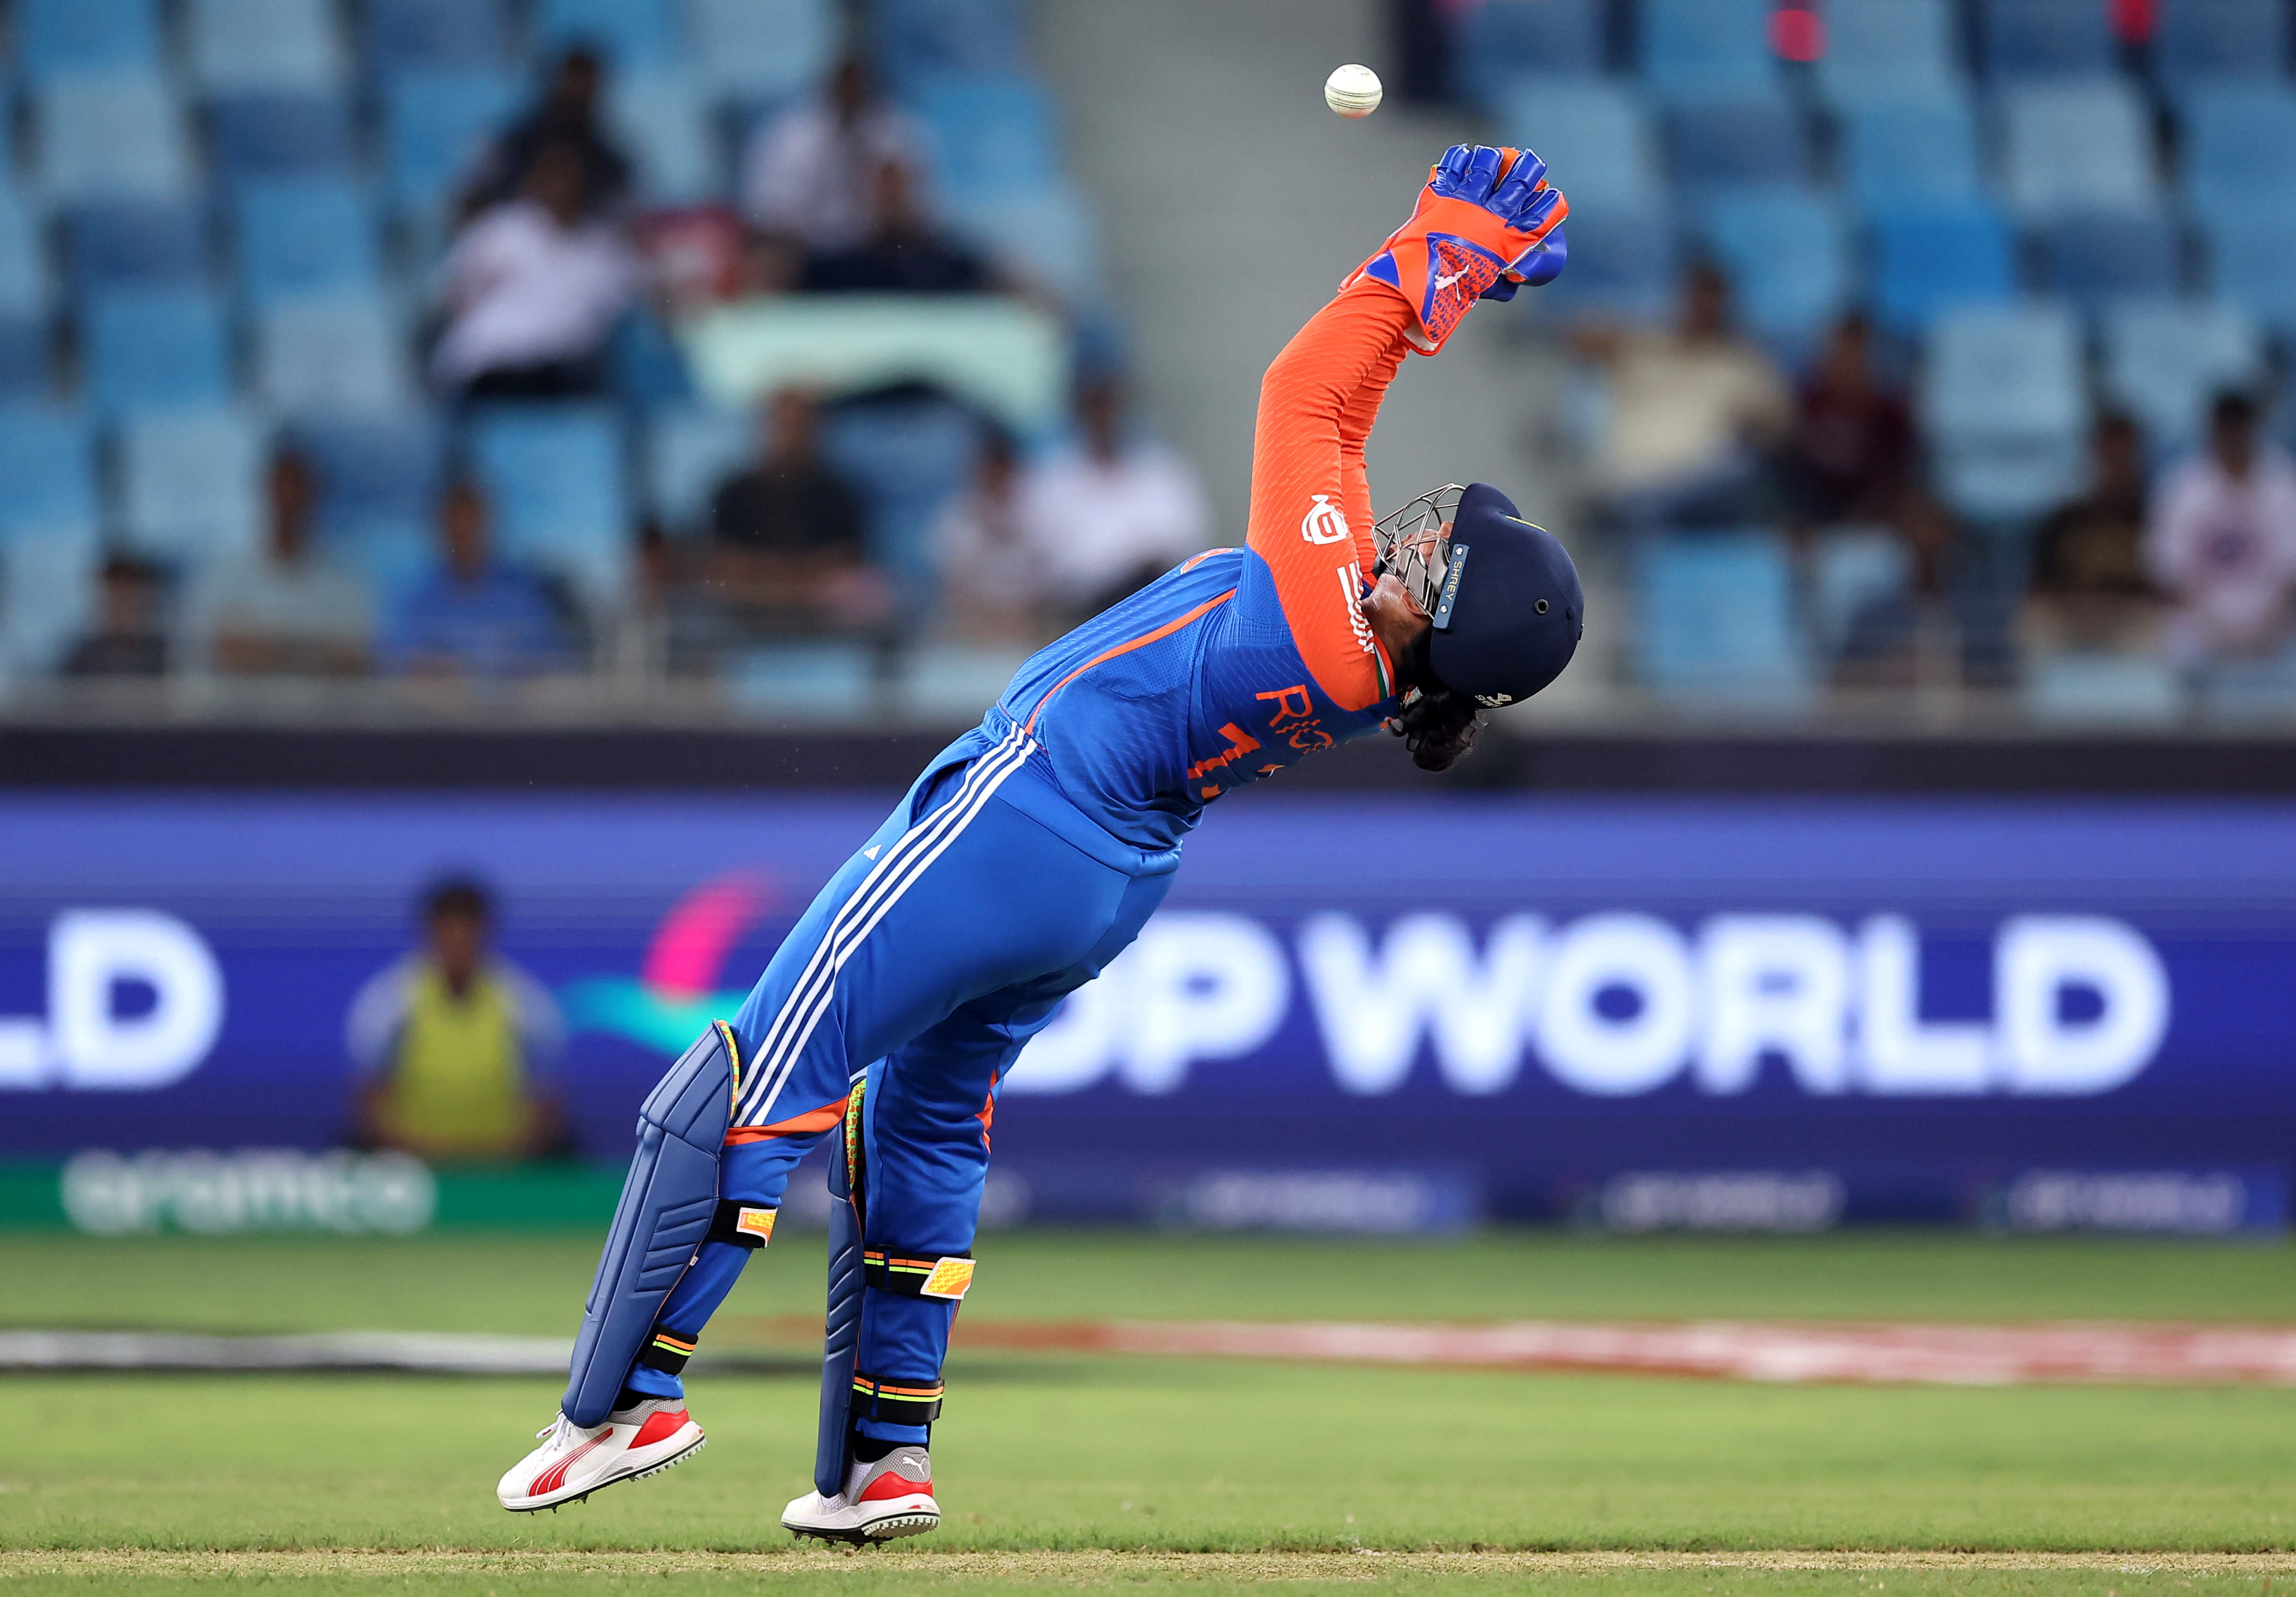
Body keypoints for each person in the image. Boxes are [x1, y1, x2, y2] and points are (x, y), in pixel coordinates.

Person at [496, 143, 1580, 1541]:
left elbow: (1307, 393)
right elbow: (1334, 430)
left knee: (751, 1075)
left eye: (1442, 558)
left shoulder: (1324, 616)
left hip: (1021, 811)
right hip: (1104, 880)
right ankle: (883, 1461)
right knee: (923, 1118)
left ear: (1444, 616)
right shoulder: (1356, 661)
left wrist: (1440, 251)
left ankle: (620, 1401)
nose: (1420, 539)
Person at [347, 878, 568, 1162]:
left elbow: (546, 1101)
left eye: (467, 934)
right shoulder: (387, 1002)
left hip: (505, 1168)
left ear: (485, 933)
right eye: (449, 933)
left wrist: (503, 1156)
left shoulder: (525, 1004)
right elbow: (369, 1099)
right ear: (430, 933)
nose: (458, 945)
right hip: (410, 1166)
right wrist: (417, 1152)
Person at [1570, 261, 1793, 534]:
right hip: (1625, 479)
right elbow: (1579, 336)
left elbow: (1779, 426)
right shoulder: (1644, 345)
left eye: (1712, 302)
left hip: (1695, 486)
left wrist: (1752, 426)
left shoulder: (1742, 363)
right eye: (1696, 299)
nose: (1702, 309)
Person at [431, 141, 642, 401]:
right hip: (489, 367)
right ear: (535, 179)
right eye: (552, 175)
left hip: (561, 374)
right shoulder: (500, 230)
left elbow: (632, 307)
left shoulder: (604, 250)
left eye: (570, 176)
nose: (562, 186)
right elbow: (452, 297)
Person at [1016, 377, 1215, 619]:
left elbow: (1186, 544)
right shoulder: (1053, 482)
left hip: (1159, 600)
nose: (1103, 419)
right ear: (1080, 414)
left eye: (1110, 408)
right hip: (1088, 611)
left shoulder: (1164, 471)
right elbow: (1047, 563)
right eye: (1095, 408)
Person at [704, 388, 889, 638]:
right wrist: (792, 579)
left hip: (825, 629)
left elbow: (846, 562)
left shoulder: (839, 494)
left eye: (801, 426)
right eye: (785, 426)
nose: (792, 436)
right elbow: (724, 566)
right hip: (743, 623)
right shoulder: (735, 493)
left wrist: (771, 577)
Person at [2144, 390, 2296, 667]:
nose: (2233, 438)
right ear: (2213, 430)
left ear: (2251, 429)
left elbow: (2291, 571)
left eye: (2238, 429)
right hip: (2199, 630)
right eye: (2227, 430)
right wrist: (2213, 623)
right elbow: (2167, 571)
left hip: (2276, 628)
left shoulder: (2283, 481)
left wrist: (2264, 622)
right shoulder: (2183, 485)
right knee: (2174, 642)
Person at [194, 447, 371, 677]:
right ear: (265, 493)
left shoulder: (344, 580)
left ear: (315, 498)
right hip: (245, 700)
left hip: (319, 700)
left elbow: (352, 657)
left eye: (298, 491)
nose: (290, 502)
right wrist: (311, 649)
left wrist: (271, 648)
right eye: (282, 490)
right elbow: (227, 651)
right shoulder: (225, 574)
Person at [384, 477, 579, 678]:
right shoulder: (416, 602)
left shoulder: (521, 598)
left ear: (487, 526)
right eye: (455, 527)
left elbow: (556, 663)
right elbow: (394, 666)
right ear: (440, 529)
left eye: (471, 525)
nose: (464, 535)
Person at [740, 54, 927, 254]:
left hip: (876, 248)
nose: (850, 93)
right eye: (845, 87)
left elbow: (920, 208)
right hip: (808, 249)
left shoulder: (892, 134)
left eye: (857, 87)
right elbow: (768, 209)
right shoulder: (792, 137)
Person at [2023, 412, 2159, 658]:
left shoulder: (2152, 514)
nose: (2115, 460)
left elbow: (2162, 586)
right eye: (2108, 450)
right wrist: (2076, 608)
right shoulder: (2067, 516)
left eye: (2123, 451)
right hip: (2072, 612)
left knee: (2157, 627)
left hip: (2127, 615)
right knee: (2035, 621)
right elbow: (2040, 585)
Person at [461, 46, 631, 222]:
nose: (577, 92)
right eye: (572, 82)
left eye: (585, 85)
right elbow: (471, 201)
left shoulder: (608, 162)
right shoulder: (512, 144)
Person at [930, 429, 1056, 645]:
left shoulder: (1037, 514)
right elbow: (952, 578)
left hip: (1026, 617)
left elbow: (1048, 575)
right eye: (990, 473)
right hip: (974, 616)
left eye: (1002, 472)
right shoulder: (958, 516)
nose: (996, 480)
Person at [799, 157, 990, 296]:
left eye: (895, 196)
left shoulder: (950, 268)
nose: (889, 208)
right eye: (883, 196)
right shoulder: (833, 272)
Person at [60, 557, 169, 678]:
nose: (121, 610)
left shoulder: (168, 656)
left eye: (129, 601)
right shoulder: (81, 658)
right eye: (116, 600)